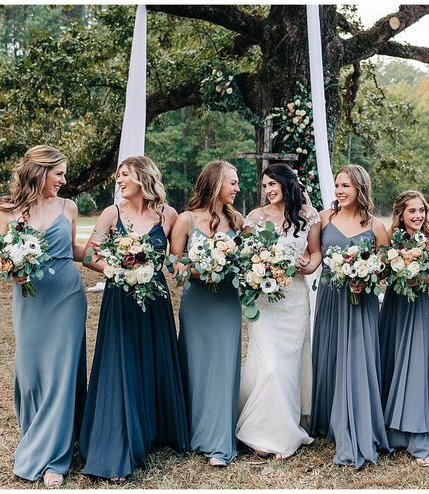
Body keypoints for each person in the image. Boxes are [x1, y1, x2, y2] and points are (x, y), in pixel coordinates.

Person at [78, 156, 189, 481]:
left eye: (124, 175)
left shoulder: (167, 215)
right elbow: (88, 254)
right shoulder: (112, 214)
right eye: (118, 176)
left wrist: (178, 267)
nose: (119, 181)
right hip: (120, 300)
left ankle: (155, 431)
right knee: (121, 365)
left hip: (155, 301)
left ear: (143, 177)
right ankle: (117, 444)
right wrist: (116, 268)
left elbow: (172, 260)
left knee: (152, 361)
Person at [0, 145, 87, 489]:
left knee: (60, 375)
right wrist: (10, 271)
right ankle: (35, 436)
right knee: (30, 373)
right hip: (30, 300)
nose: (64, 180)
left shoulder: (68, 207)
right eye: (58, 173)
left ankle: (56, 459)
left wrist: (120, 261)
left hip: (66, 297)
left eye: (64, 173)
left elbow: (74, 249)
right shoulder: (6, 211)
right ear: (39, 172)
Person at [236, 163, 322, 460]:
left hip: (294, 298)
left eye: (273, 184)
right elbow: (244, 256)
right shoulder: (255, 218)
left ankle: (285, 426)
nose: (268, 190)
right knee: (269, 363)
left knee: (288, 363)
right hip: (263, 300)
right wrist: (258, 271)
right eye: (264, 186)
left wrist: (307, 266)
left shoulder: (308, 216)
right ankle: (262, 432)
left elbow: (315, 253)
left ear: (287, 184)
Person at [310, 164, 390, 469]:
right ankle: (328, 419)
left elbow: (384, 268)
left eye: (346, 186)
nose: (340, 191)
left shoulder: (376, 227)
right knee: (330, 356)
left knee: (357, 360)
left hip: (361, 302)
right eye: (338, 186)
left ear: (360, 189)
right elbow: (315, 256)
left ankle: (356, 423)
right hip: (330, 297)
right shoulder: (324, 217)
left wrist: (366, 278)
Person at [169, 160, 244, 467]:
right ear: (215, 184)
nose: (237, 188)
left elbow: (248, 259)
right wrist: (198, 271)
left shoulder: (237, 219)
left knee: (224, 367)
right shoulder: (186, 219)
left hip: (226, 302)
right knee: (195, 364)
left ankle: (219, 441)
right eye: (233, 183)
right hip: (197, 302)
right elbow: (174, 265)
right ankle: (191, 433)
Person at [378, 190, 429, 467]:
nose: (418, 216)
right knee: (392, 361)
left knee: (416, 366)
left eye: (421, 210)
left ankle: (417, 435)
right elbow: (381, 271)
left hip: (418, 308)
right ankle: (391, 432)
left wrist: (423, 276)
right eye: (412, 211)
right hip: (394, 307)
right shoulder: (389, 239)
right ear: (400, 214)